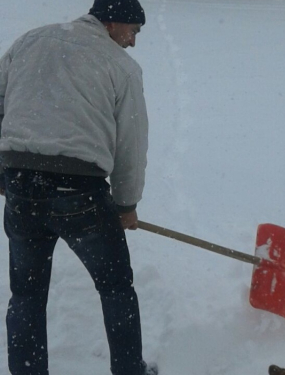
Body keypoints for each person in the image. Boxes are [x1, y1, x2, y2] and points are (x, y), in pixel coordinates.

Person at [0, 0, 158, 374]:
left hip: (22, 188)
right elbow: (131, 144)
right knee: (117, 289)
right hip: (79, 193)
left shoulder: (29, 42)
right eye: (133, 32)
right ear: (114, 22)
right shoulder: (122, 67)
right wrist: (126, 203)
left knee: (26, 294)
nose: (133, 42)